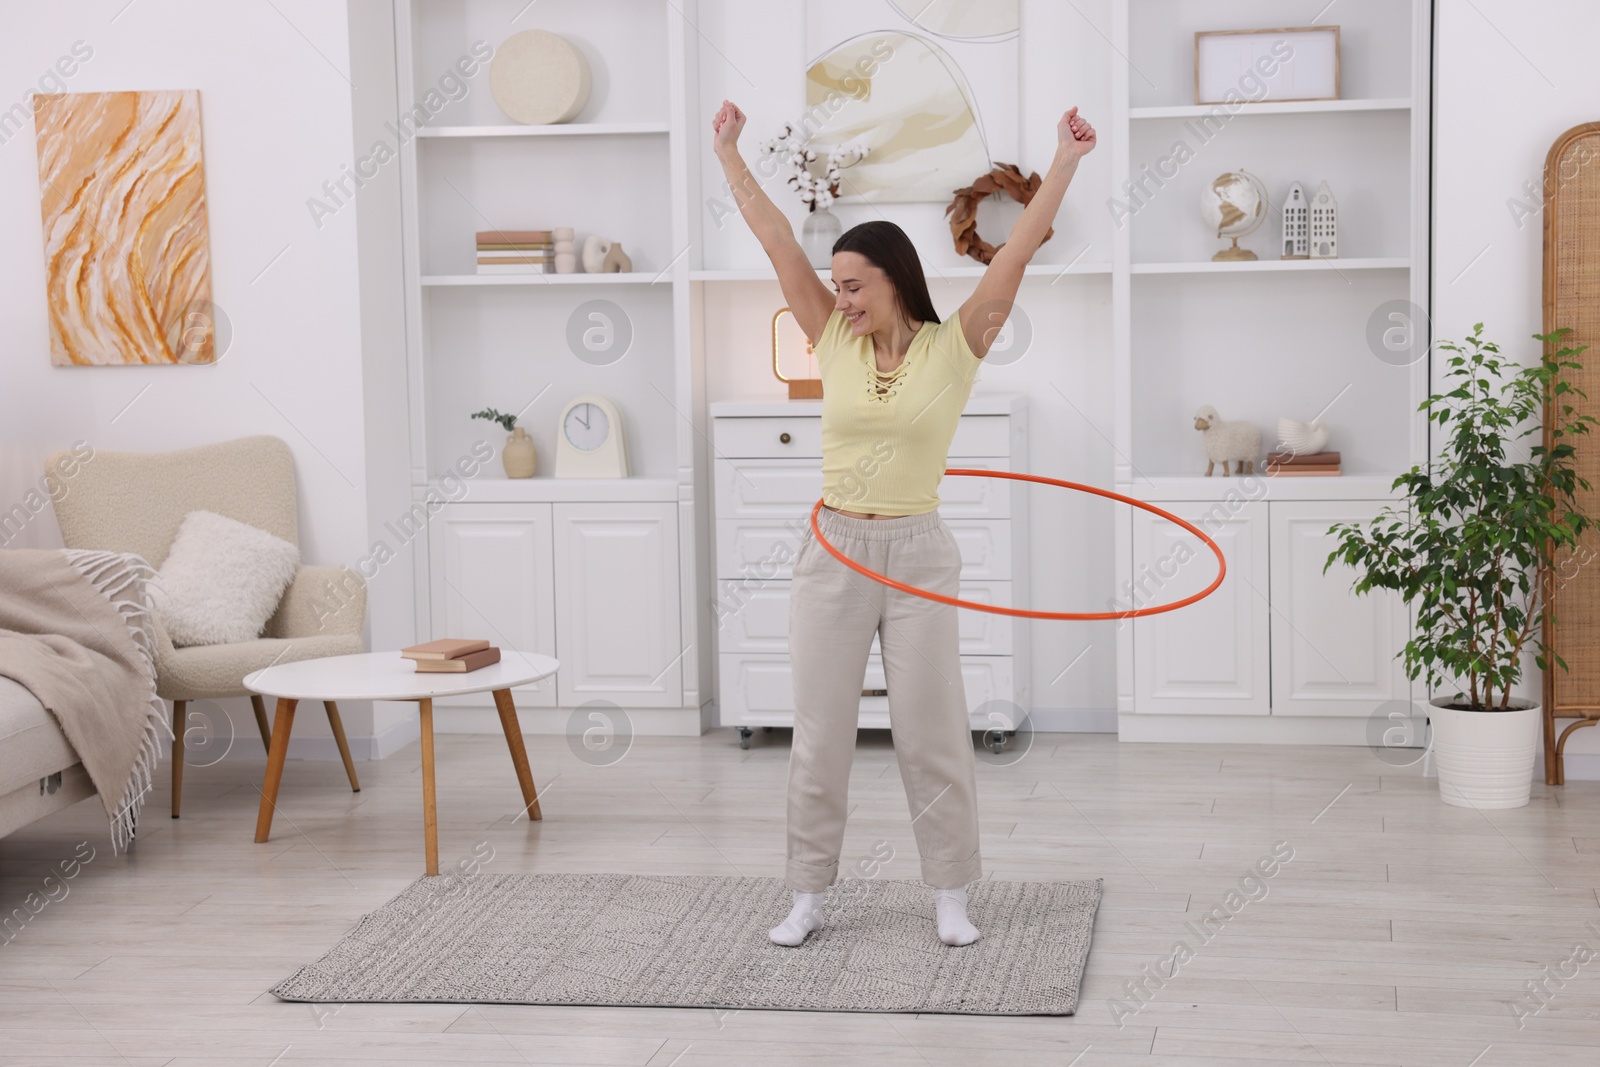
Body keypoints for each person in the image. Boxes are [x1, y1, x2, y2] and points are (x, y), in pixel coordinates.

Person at [710, 99, 1096, 947]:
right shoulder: (831, 340)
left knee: (931, 731)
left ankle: (951, 891)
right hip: (835, 551)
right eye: (835, 287)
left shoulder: (956, 347)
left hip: (918, 553)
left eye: (853, 286)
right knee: (819, 736)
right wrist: (729, 153)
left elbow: (1021, 247)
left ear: (894, 279)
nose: (838, 298)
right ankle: (808, 892)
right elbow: (777, 240)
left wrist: (1064, 161)